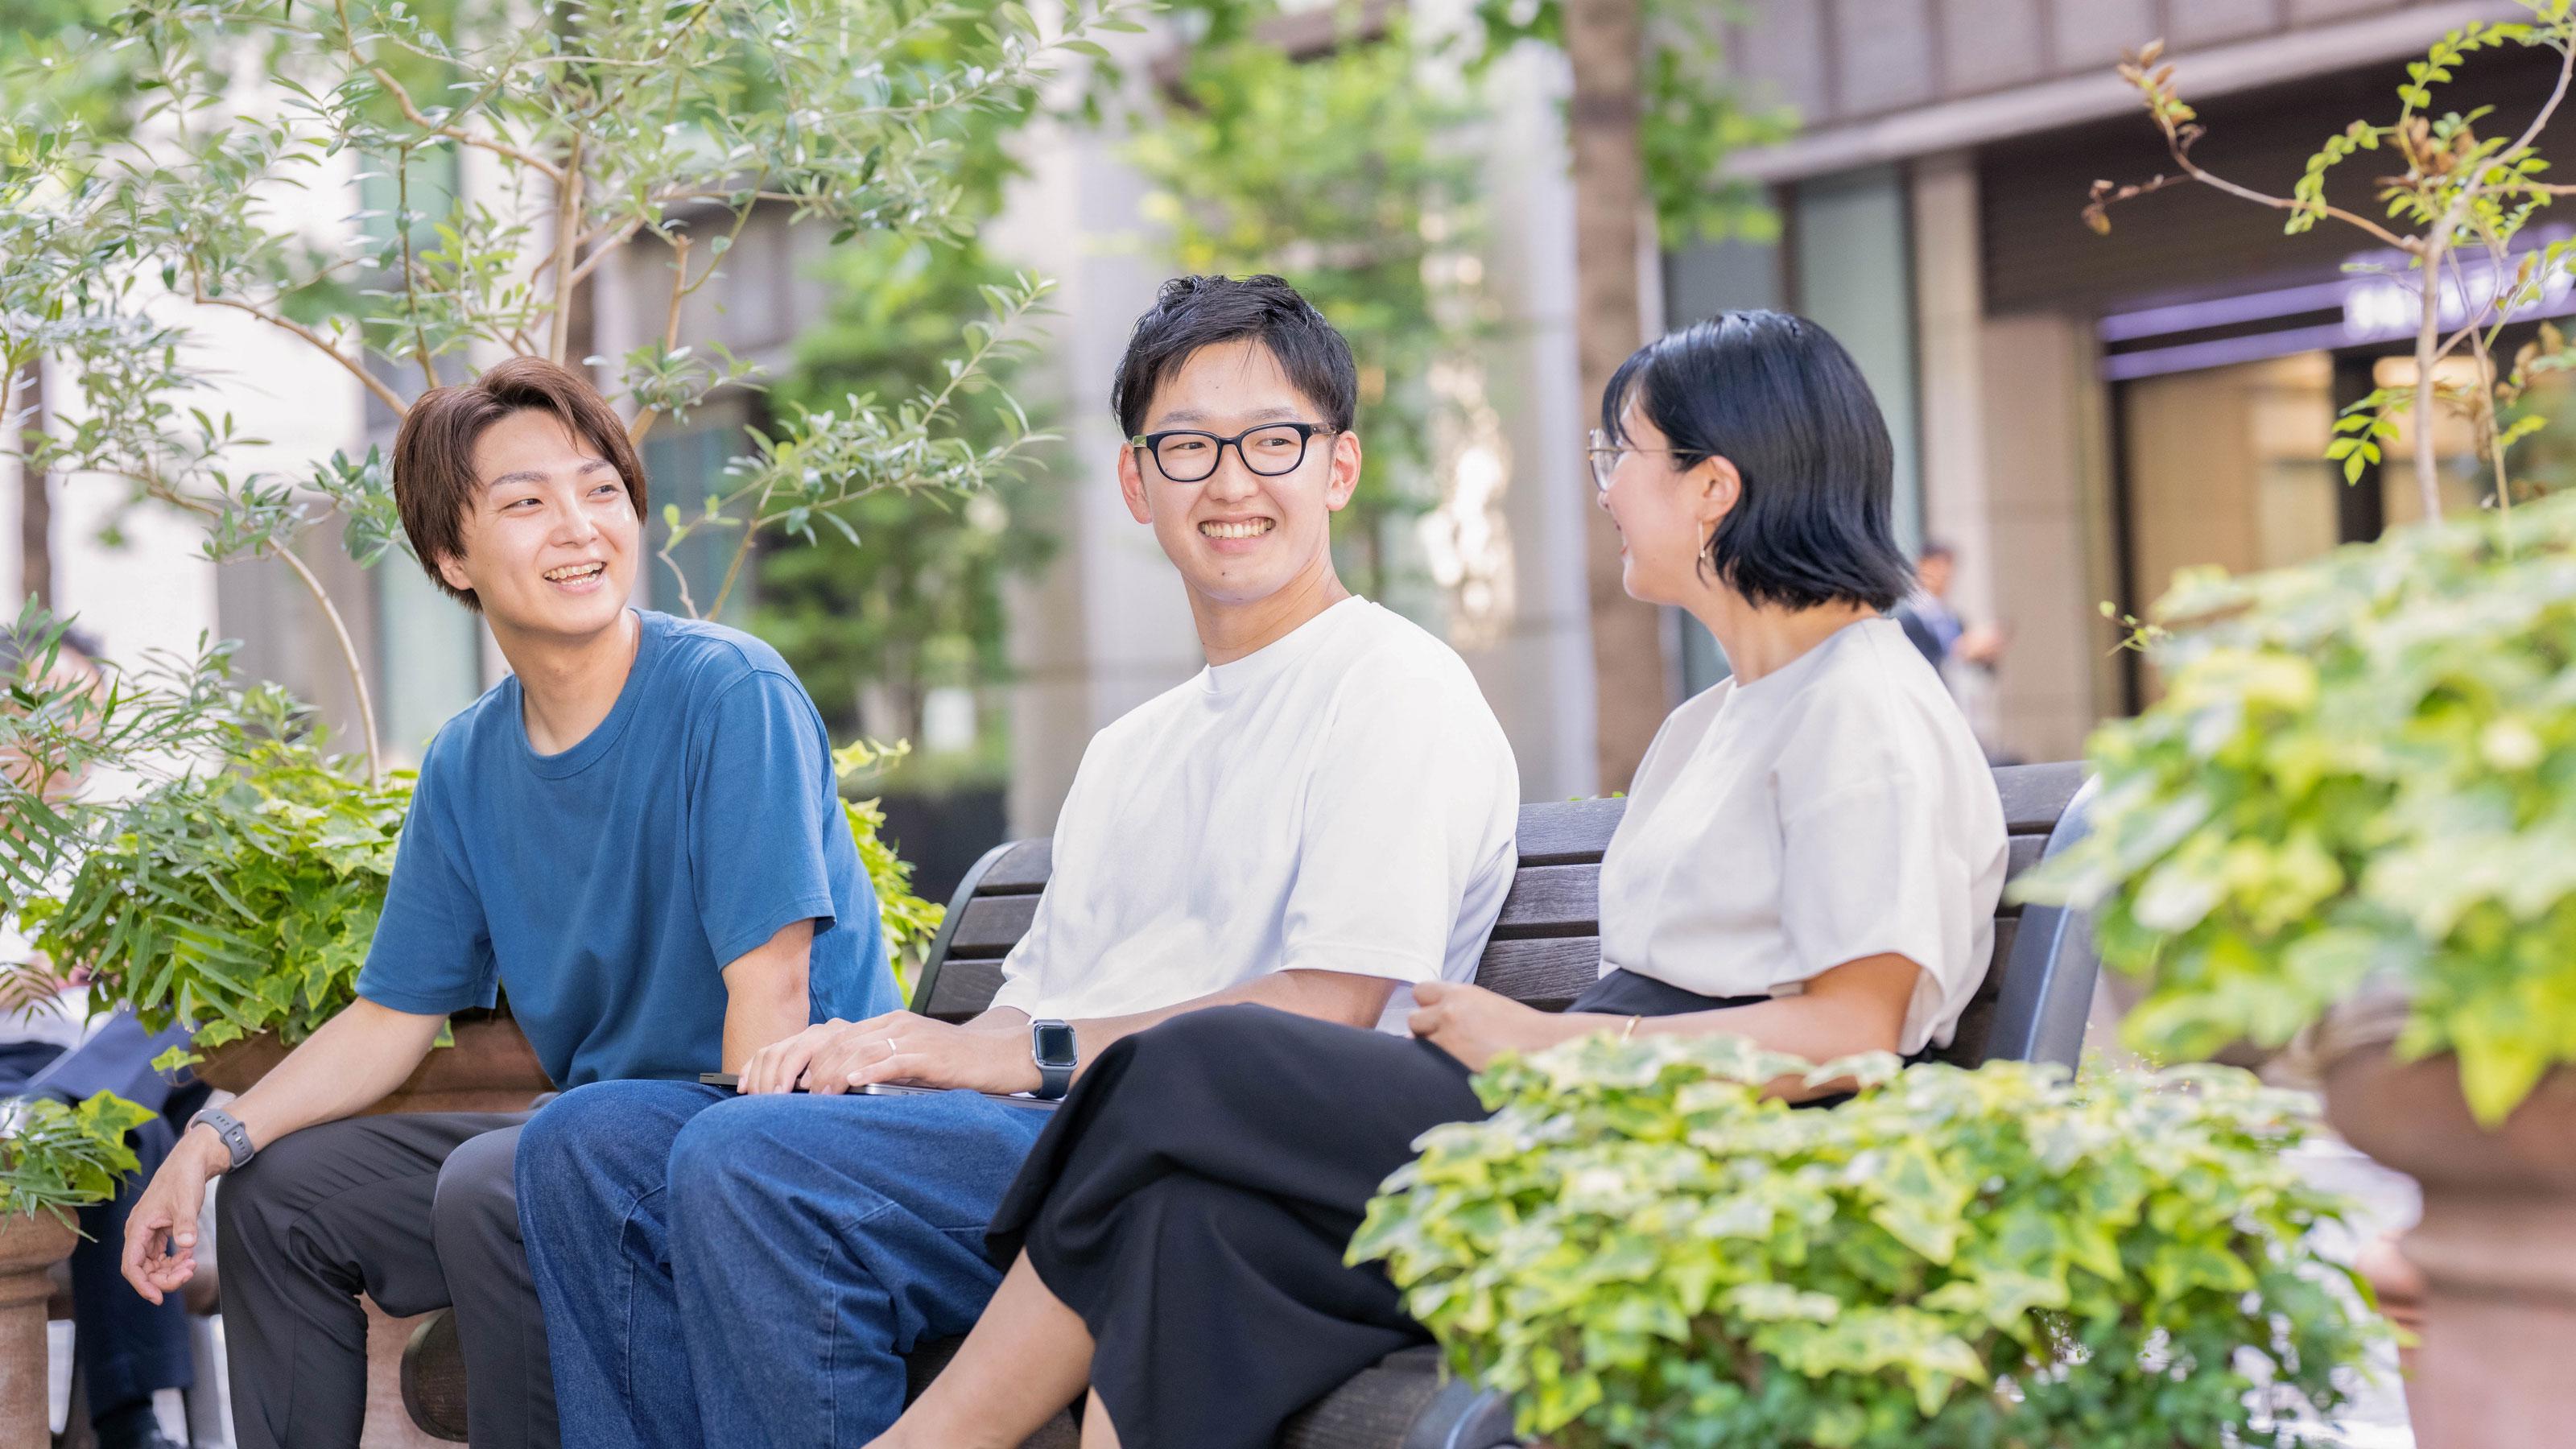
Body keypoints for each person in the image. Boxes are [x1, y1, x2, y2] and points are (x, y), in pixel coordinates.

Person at [871, 309, 2010, 1449]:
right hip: (1597, 1122)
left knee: (1195, 1064)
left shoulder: (1863, 706)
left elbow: (1852, 1031)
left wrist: (1553, 1047)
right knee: (1186, 1224)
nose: (1604, 490)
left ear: (1712, 489)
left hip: (1696, 1157)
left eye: (1620, 455)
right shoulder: (1714, 718)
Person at [513, 274, 1522, 1449]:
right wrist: (894, 1047)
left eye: (1273, 441)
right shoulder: (1133, 747)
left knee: (757, 1164)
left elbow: (1329, 1005)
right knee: (586, 1149)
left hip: (1212, 1175)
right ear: (1136, 483)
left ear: (1338, 467)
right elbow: (1032, 1006)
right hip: (1039, 1135)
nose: (1231, 482)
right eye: (1188, 446)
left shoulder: (1394, 686)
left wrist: (1004, 1056)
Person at [115, 357, 902, 1449]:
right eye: (527, 503)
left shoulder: (731, 694)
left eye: (602, 490)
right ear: (452, 555)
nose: (581, 528)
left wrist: (721, 1219)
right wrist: (210, 1141)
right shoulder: (468, 761)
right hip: (600, 1141)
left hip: (793, 1139)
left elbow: (771, 996)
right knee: (285, 1193)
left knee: (511, 1173)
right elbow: (393, 1017)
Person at [1, 625, 200, 1449]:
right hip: (11, 1067)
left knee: (189, 1004)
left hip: (99, 1064)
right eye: (64, 705)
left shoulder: (109, 840)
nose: (84, 727)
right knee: (127, 1130)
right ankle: (127, 1416)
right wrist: (36, 968)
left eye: (94, 707)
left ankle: (68, 1104)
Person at [1893, 539, 2006, 679]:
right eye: (1936, 566)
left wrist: (1984, 653)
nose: (1943, 574)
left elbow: (1978, 671)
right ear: (1921, 566)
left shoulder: (1954, 620)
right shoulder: (1907, 621)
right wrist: (1959, 652)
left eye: (1948, 567)